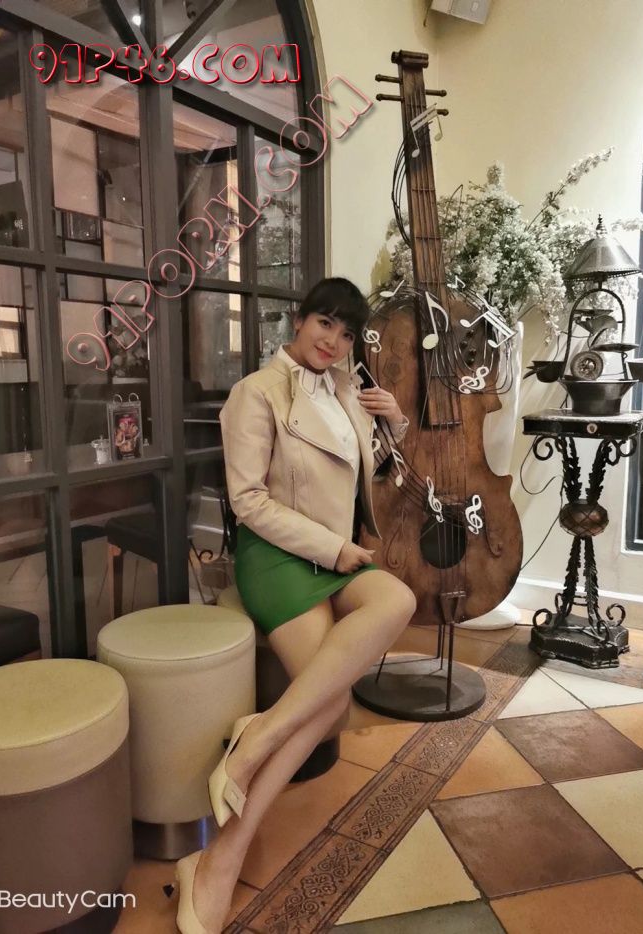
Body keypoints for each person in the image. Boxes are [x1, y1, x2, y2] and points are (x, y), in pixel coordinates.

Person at [172, 277, 416, 934]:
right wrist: (333, 550)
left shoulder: (345, 391)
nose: (333, 341)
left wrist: (394, 423)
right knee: (330, 706)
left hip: (336, 555)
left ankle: (258, 736)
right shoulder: (257, 392)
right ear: (299, 320)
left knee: (397, 598)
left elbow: (368, 475)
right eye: (324, 324)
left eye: (346, 333)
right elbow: (248, 501)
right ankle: (219, 861)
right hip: (280, 557)